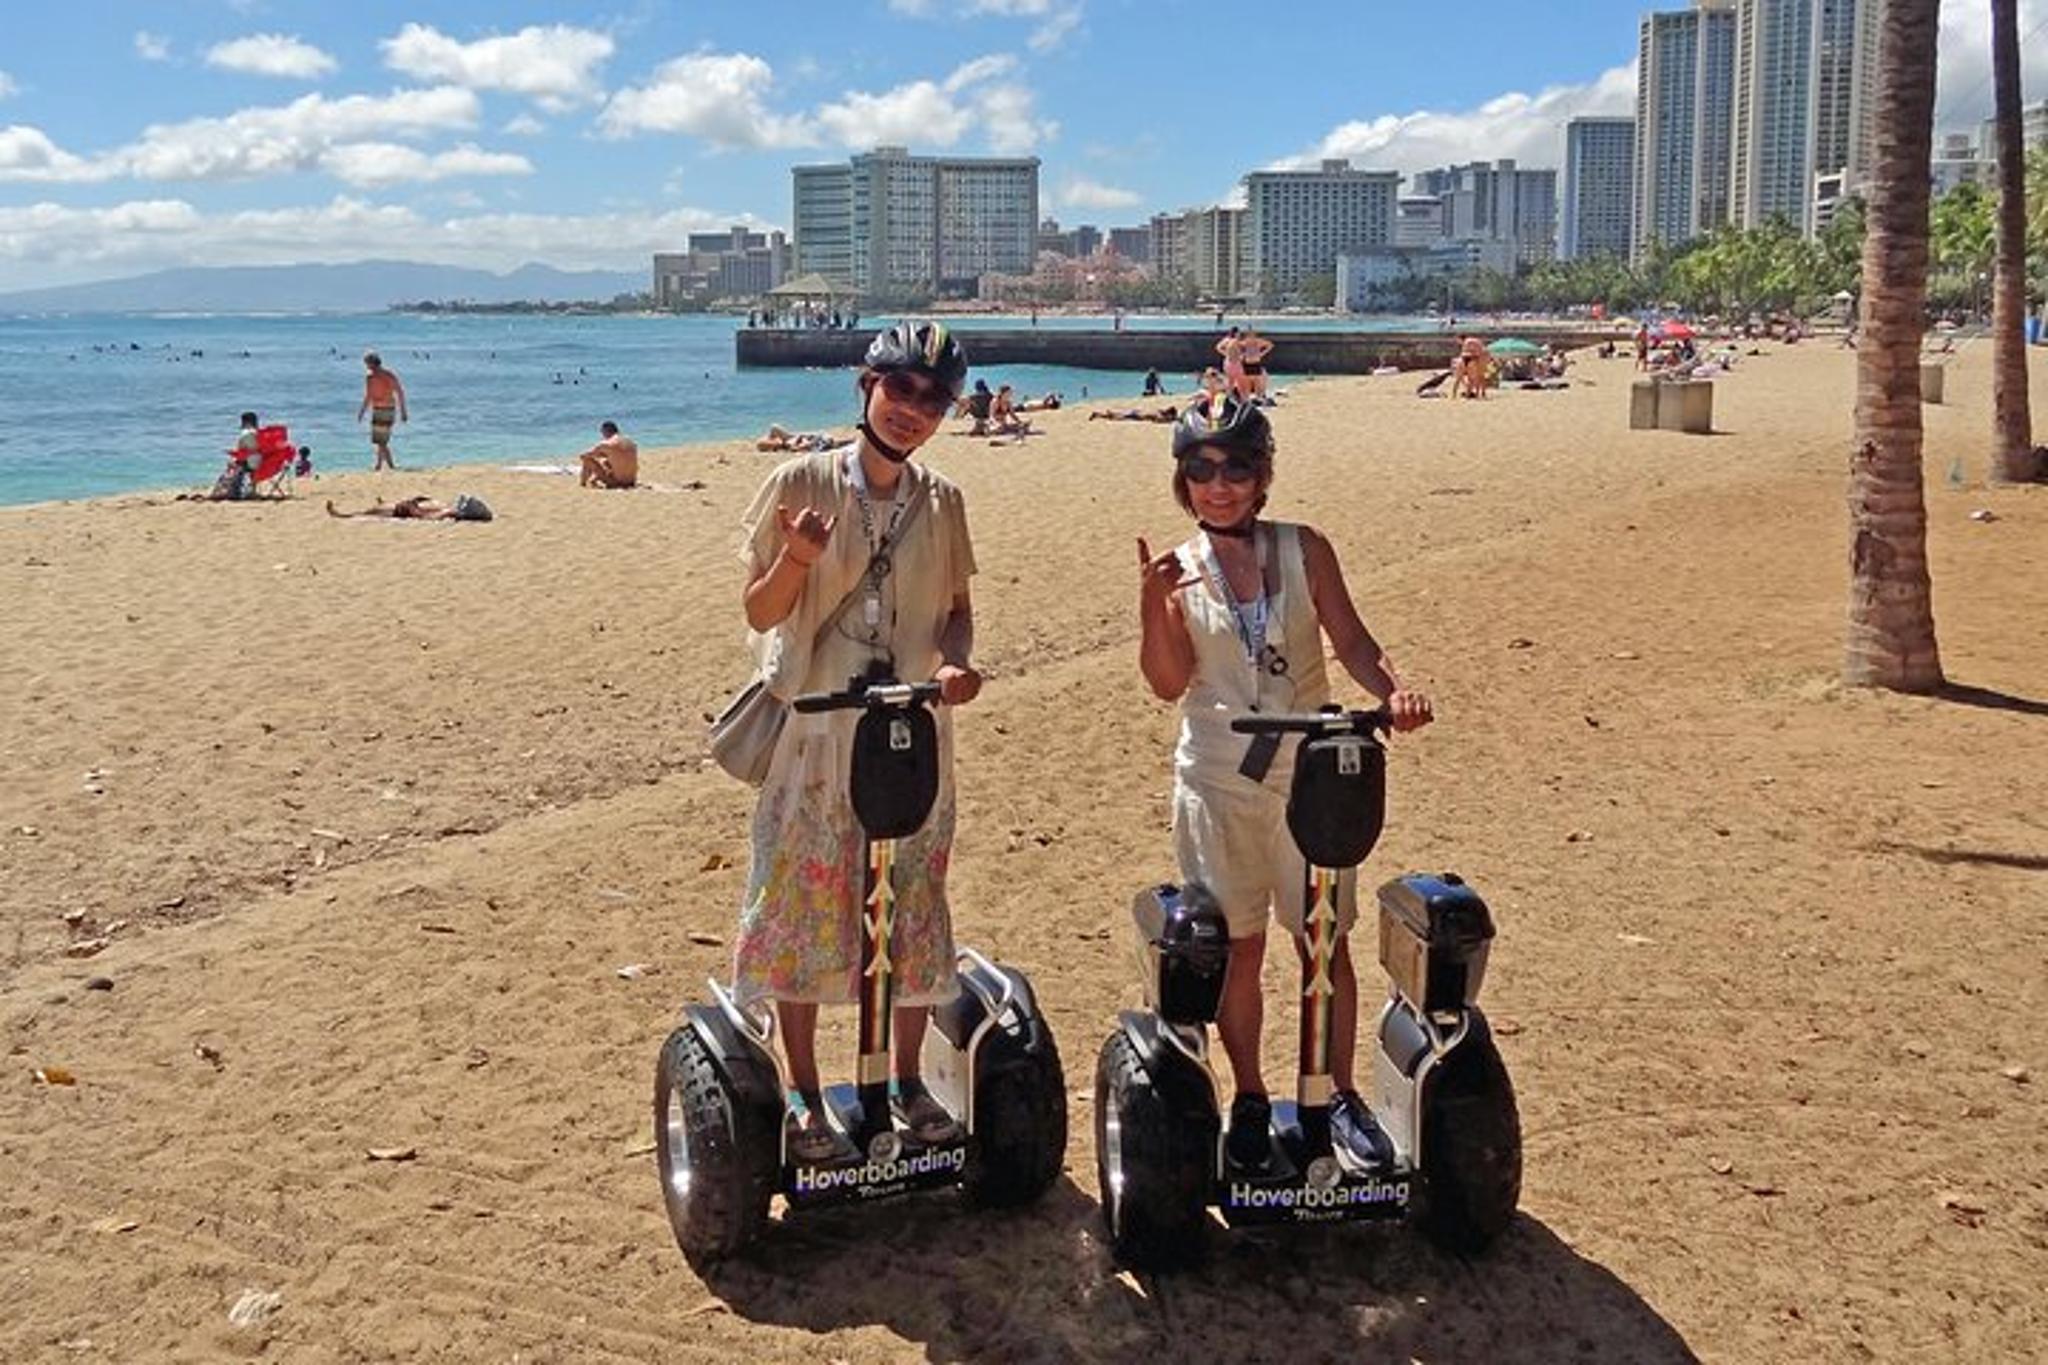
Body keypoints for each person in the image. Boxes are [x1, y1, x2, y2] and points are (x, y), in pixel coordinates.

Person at [1135, 394, 1434, 1172]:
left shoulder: (1305, 549)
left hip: (1309, 777)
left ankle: (1334, 1094)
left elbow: (1355, 641)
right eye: (1200, 469)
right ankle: (1251, 1096)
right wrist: (1152, 602)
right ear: (1184, 481)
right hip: (1217, 779)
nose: (1219, 484)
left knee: (1324, 942)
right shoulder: (1181, 569)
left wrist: (1392, 691)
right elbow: (1167, 682)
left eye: (1235, 467)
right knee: (1237, 950)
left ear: (1262, 476)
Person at [733, 320, 983, 1163]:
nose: (914, 409)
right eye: (901, 388)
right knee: (801, 906)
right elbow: (760, 611)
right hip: (817, 735)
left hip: (912, 735)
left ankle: (905, 1082)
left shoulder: (942, 501)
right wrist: (799, 559)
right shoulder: (799, 479)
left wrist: (955, 666)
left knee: (912, 907)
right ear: (865, 384)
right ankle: (805, 1092)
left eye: (934, 397)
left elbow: (955, 608)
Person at [357, 352, 408, 471]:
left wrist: (362, 412)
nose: (366, 366)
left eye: (366, 363)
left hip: (381, 409)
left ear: (370, 363)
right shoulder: (388, 375)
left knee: (381, 440)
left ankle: (389, 465)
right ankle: (379, 465)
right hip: (388, 408)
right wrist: (403, 411)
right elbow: (400, 392)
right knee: (381, 439)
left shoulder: (371, 377)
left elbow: (369, 396)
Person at [325, 494, 491, 521]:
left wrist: (413, 508)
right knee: (377, 508)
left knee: (367, 513)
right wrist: (417, 499)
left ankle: (340, 515)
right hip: (407, 506)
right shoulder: (446, 507)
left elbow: (426, 517)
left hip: (402, 510)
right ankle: (341, 514)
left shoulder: (447, 512)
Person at [576, 420, 639, 489]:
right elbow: (619, 455)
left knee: (587, 460)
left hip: (618, 482)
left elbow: (583, 455)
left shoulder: (606, 444)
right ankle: (593, 480)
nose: (603, 435)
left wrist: (597, 457)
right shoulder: (630, 442)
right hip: (632, 481)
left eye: (602, 432)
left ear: (606, 431)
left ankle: (582, 484)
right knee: (606, 461)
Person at [756, 424, 852, 453]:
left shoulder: (786, 441)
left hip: (817, 439)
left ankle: (851, 441)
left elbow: (774, 427)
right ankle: (851, 441)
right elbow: (801, 447)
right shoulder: (788, 444)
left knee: (834, 443)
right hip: (817, 441)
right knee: (835, 443)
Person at [1239, 329, 1275, 403]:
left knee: (1257, 381)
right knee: (1247, 382)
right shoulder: (1245, 342)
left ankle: (1258, 398)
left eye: (1252, 335)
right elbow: (1236, 346)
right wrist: (1242, 355)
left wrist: (1262, 354)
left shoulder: (1258, 342)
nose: (1251, 337)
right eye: (1249, 335)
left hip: (1256, 363)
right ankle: (1247, 399)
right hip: (1247, 364)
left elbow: (1270, 345)